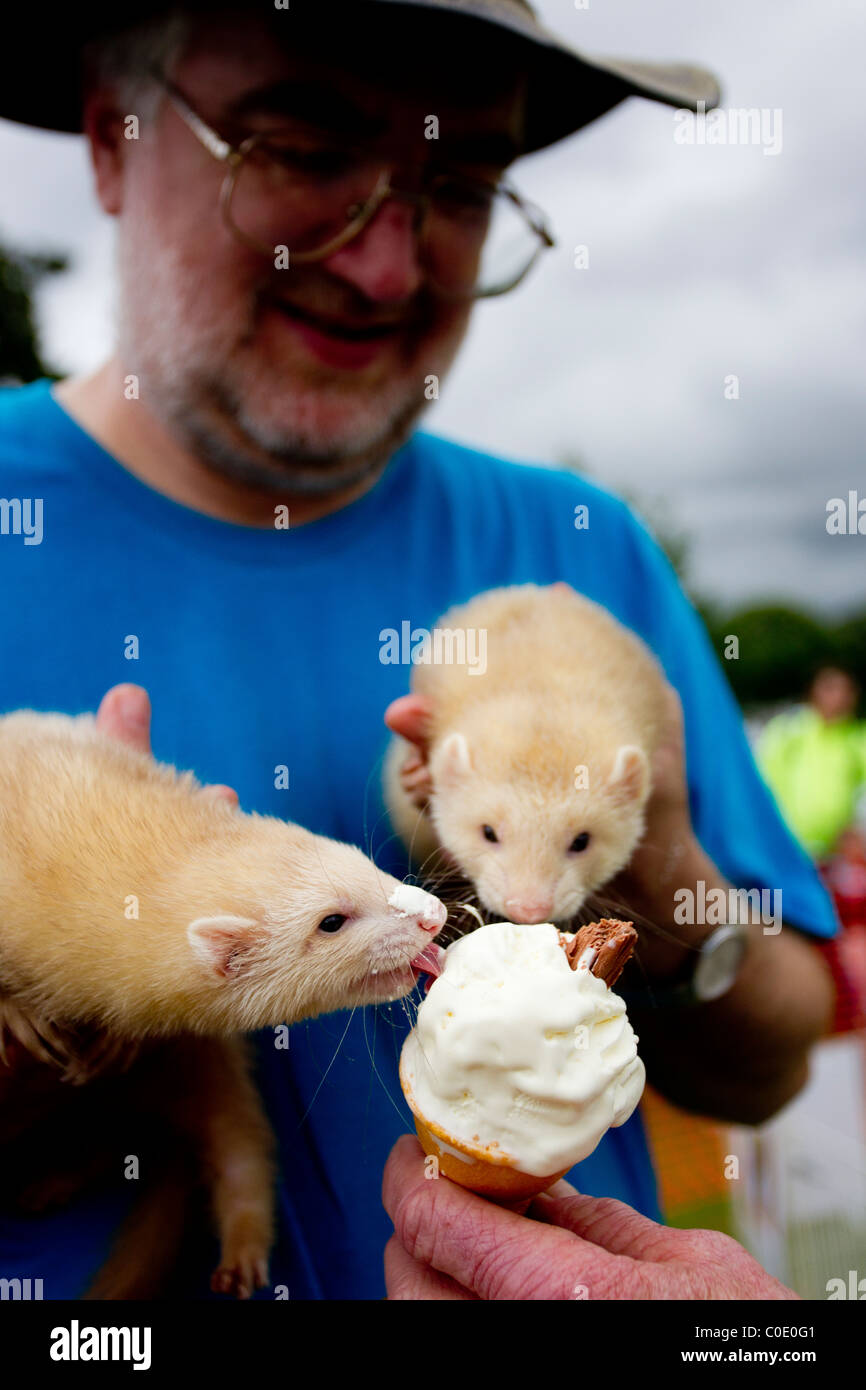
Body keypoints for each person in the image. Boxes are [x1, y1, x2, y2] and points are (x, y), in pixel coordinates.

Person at [0, 0, 838, 1300]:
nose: (387, 265)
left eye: (458, 183)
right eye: (300, 148)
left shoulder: (582, 550)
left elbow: (774, 1056)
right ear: (112, 139)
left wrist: (667, 885)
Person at [757, 667, 866, 862]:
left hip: (836, 855)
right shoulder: (788, 730)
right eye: (830, 689)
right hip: (785, 846)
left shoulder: (857, 739)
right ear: (814, 692)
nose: (837, 697)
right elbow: (763, 780)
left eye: (844, 691)